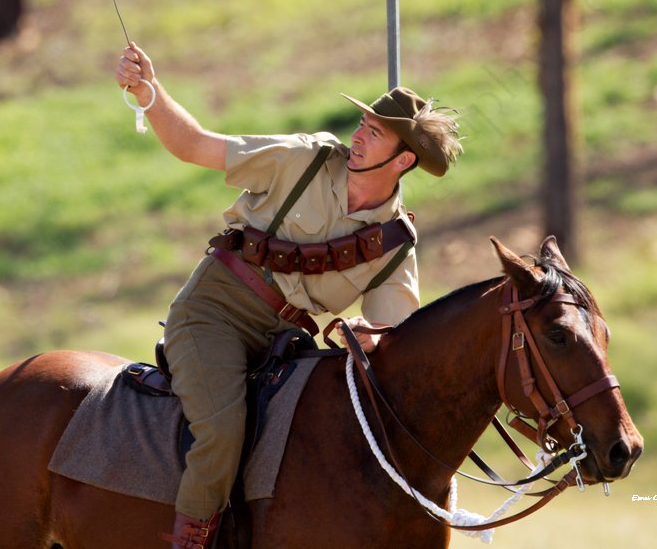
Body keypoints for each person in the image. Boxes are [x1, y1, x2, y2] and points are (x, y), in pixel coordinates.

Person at [115, 42, 462, 549]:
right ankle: (188, 542)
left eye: (375, 132)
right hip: (214, 312)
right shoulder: (303, 158)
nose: (358, 135)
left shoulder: (394, 245)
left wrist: (368, 339)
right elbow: (194, 144)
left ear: (404, 159)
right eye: (363, 124)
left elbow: (391, 343)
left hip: (285, 343)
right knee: (221, 431)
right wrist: (148, 90)